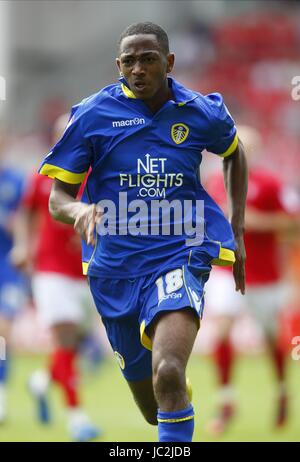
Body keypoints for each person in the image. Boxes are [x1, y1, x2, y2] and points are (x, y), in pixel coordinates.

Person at [38, 22, 248, 442]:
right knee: (155, 408)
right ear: (118, 66)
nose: (138, 69)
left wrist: (237, 229)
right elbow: (56, 198)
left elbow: (233, 152)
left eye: (148, 59)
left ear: (168, 63)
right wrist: (78, 208)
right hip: (114, 269)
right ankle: (172, 397)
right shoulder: (93, 115)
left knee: (168, 370)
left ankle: (172, 387)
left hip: (180, 254)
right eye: (129, 61)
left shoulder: (199, 112)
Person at [204, 125, 300, 435]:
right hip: (226, 271)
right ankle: (226, 404)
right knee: (220, 333)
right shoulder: (216, 181)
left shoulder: (271, 184)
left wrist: (250, 222)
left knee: (272, 338)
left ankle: (283, 392)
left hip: (265, 276)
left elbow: (292, 224)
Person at [11, 114, 101, 442]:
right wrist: (23, 246)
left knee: (73, 345)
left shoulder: (99, 173)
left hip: (89, 270)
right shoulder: (44, 175)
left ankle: (42, 381)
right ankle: (78, 420)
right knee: (64, 339)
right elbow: (25, 213)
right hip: (51, 270)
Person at [0, 128, 28, 423]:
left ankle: (1, 399)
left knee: (2, 333)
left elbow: (23, 221)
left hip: (7, 267)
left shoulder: (15, 181)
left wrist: (21, 244)